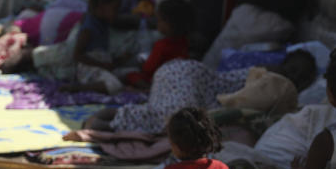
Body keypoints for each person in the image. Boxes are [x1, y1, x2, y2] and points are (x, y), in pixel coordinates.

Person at [85, 49, 317, 133]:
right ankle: (103, 125)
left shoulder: (287, 91)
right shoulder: (272, 77)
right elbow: (243, 103)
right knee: (179, 122)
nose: (294, 78)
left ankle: (107, 118)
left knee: (159, 114)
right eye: (293, 70)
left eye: (302, 77)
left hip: (181, 74)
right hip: (189, 76)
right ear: (283, 64)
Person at [73, 0, 132, 94]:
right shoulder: (89, 28)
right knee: (114, 85)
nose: (117, 13)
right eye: (115, 9)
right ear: (101, 8)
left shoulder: (103, 23)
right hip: (89, 68)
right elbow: (77, 55)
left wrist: (118, 60)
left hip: (102, 66)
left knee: (131, 72)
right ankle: (77, 88)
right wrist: (102, 65)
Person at [124, 0, 194, 89]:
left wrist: (143, 64)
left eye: (159, 20)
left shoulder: (161, 45)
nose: (157, 24)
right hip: (178, 80)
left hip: (159, 80)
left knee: (131, 75)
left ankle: (148, 89)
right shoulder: (184, 42)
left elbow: (148, 69)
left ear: (168, 23)